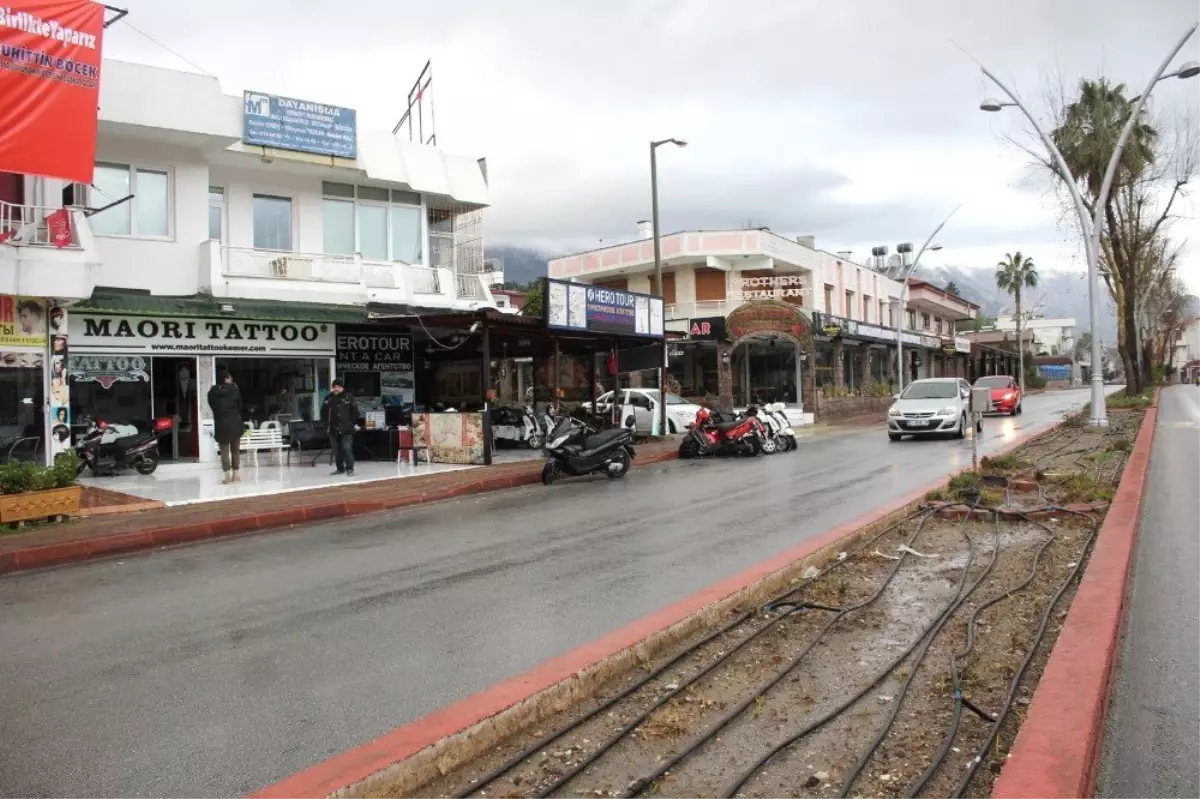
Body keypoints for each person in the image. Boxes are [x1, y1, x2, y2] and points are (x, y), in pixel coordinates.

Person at [207, 369, 244, 484]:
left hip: (221, 424)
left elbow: (212, 406)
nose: (231, 379)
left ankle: (227, 476)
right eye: (230, 377)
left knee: (224, 452)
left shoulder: (212, 393)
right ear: (226, 379)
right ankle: (236, 475)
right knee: (235, 450)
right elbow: (240, 406)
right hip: (236, 424)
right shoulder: (235, 390)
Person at [322, 378, 359, 476]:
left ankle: (350, 469)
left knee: (347, 448)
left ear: (342, 387)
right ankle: (340, 468)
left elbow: (355, 413)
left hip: (346, 429)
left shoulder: (349, 397)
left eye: (338, 386)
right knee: (336, 451)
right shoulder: (328, 398)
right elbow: (323, 413)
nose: (336, 388)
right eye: (334, 387)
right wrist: (325, 425)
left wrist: (350, 424)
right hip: (333, 430)